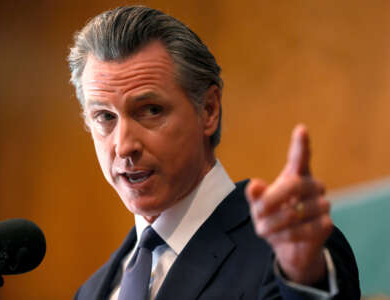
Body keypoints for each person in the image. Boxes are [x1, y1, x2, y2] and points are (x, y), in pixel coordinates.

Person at [68, 5, 360, 300]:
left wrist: (304, 279)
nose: (123, 145)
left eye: (151, 110)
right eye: (105, 117)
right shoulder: (91, 292)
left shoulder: (287, 257)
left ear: (208, 110)